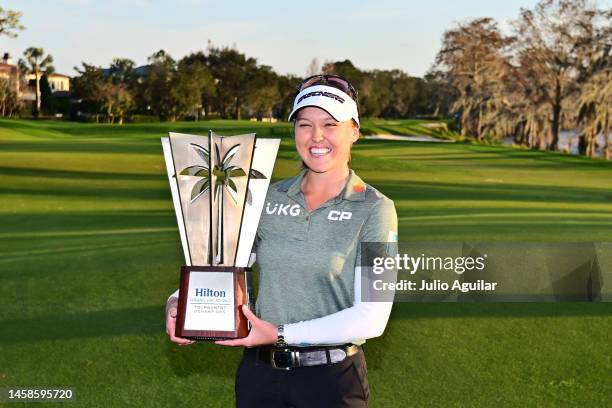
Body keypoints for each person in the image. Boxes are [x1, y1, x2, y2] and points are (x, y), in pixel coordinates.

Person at [165, 74, 398, 407]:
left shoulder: (376, 209)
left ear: (354, 131)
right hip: (261, 377)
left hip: (331, 383)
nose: (316, 136)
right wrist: (179, 302)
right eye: (305, 124)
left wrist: (281, 333)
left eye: (330, 124)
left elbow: (371, 317)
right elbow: (228, 262)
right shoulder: (265, 197)